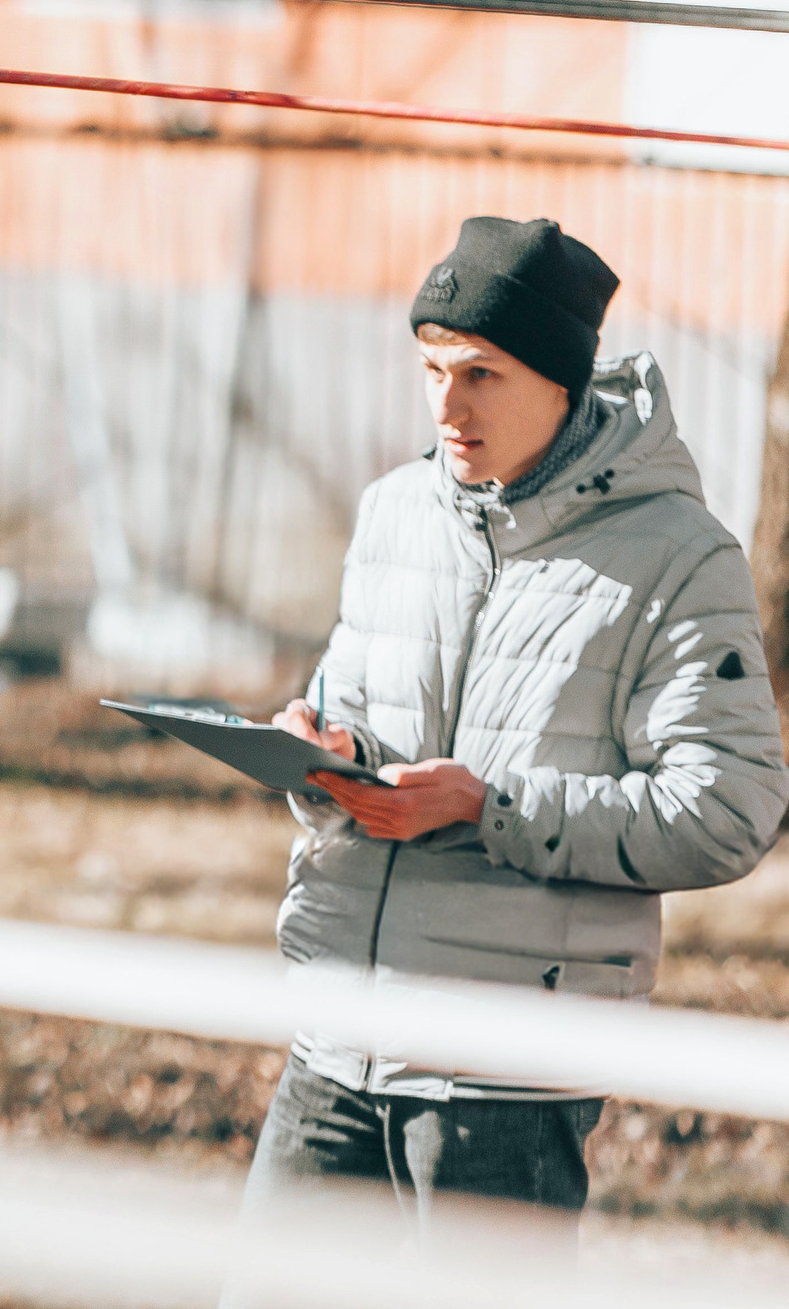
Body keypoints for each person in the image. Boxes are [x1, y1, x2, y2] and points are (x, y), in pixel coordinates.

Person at [234, 216, 787, 1259]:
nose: (447, 406)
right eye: (431, 370)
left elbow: (729, 809)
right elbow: (354, 708)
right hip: (338, 1041)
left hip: (504, 1074)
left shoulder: (679, 557)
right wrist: (322, 752)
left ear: (560, 381)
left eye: (480, 373)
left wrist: (492, 808)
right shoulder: (393, 513)